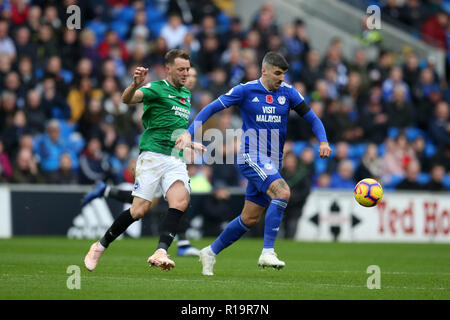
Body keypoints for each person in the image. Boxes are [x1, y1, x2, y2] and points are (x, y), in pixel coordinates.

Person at [176, 52, 332, 275]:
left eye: (284, 74)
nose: (281, 78)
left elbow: (312, 118)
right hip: (251, 155)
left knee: (249, 217)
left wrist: (324, 140)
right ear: (264, 70)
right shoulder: (245, 90)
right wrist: (190, 133)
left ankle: (210, 251)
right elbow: (210, 108)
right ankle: (268, 251)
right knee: (283, 192)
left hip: (273, 161)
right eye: (277, 74)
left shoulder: (288, 93)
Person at [84, 49, 205, 272]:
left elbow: (174, 129)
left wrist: (189, 142)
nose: (185, 74)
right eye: (181, 69)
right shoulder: (156, 88)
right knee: (139, 210)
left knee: (180, 201)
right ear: (168, 69)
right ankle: (100, 245)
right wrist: (135, 85)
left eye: (187, 69)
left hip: (175, 159)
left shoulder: (186, 95)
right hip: (152, 156)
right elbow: (126, 99)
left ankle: (161, 251)